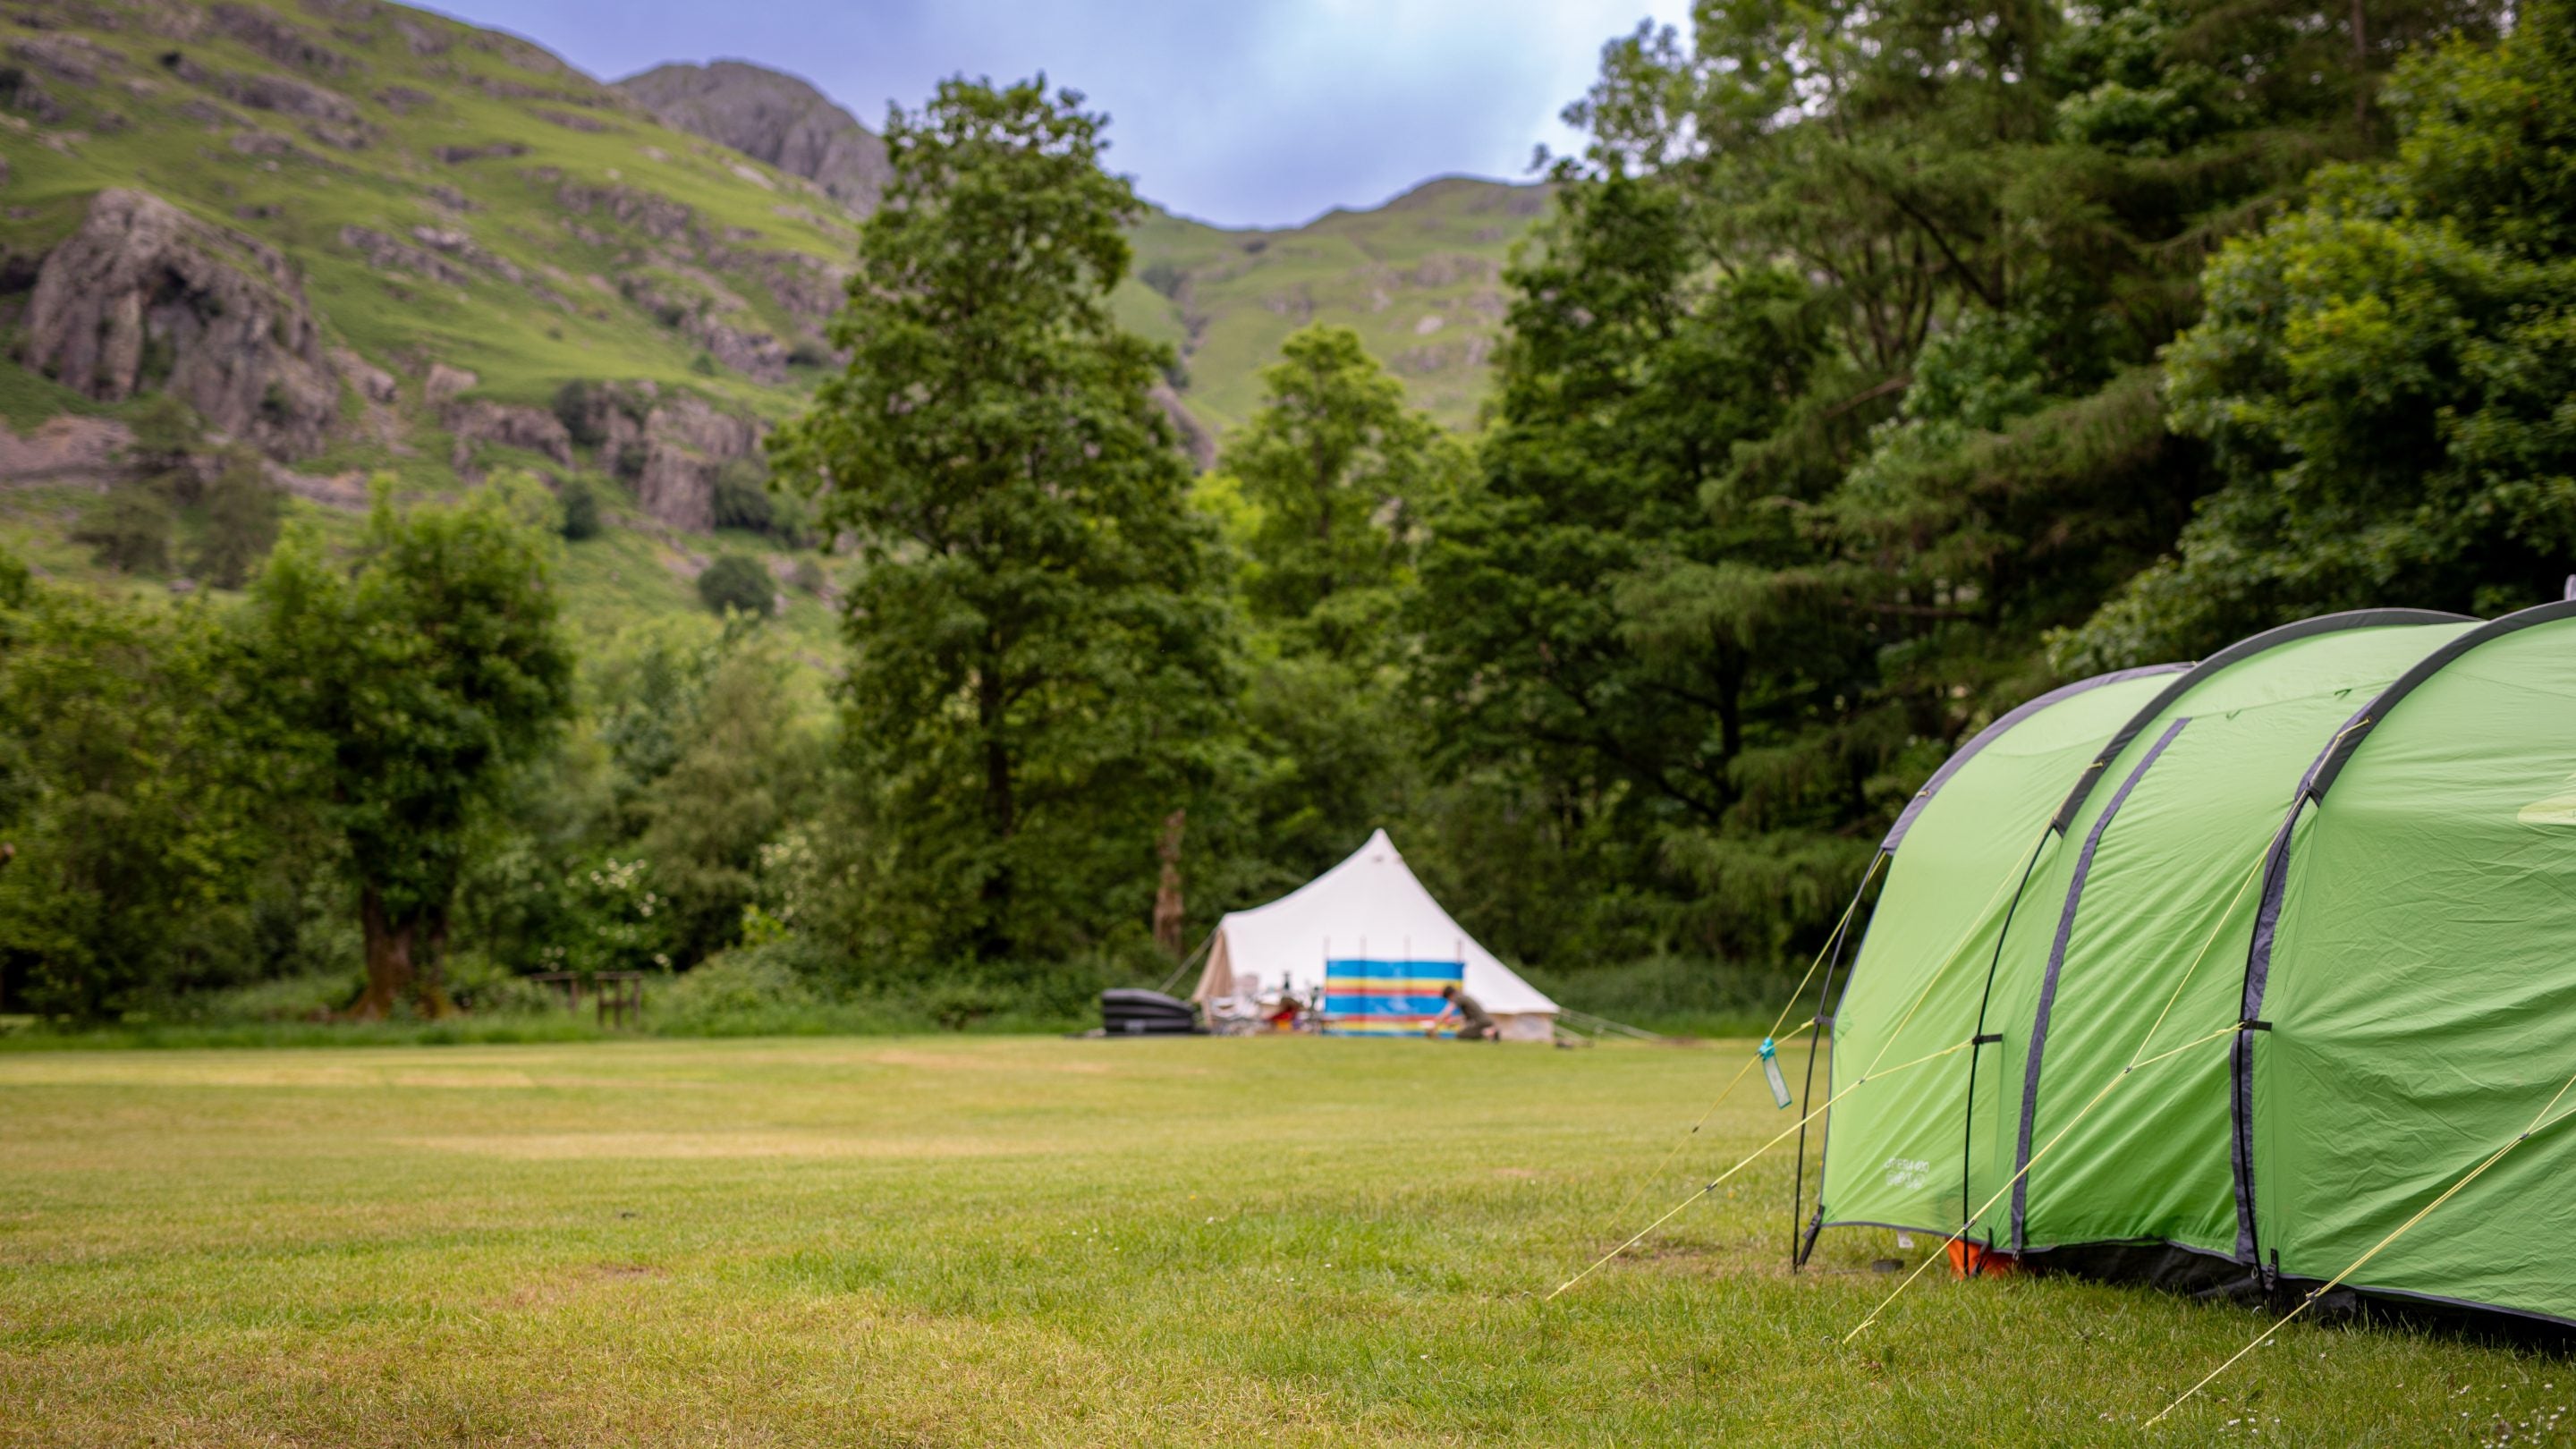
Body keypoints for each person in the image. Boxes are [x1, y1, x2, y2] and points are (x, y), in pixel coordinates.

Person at [1427, 982, 1497, 1041]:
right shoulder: (1463, 996)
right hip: (1485, 1021)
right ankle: (1489, 1031)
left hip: (1480, 1022)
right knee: (1469, 1036)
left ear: (1450, 995)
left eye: (1448, 999)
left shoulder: (1458, 997)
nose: (1449, 1001)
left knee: (1461, 1035)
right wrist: (1453, 1021)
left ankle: (1488, 1032)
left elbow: (1448, 1011)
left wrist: (1435, 1023)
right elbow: (1465, 1017)